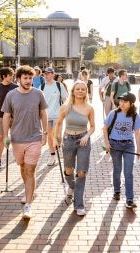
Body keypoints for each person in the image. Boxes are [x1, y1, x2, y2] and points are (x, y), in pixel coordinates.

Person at [1, 65, 48, 219]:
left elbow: (43, 113)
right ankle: (30, 190)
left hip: (34, 137)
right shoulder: (11, 95)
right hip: (17, 138)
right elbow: (6, 116)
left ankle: (28, 205)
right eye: (25, 78)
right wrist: (5, 135)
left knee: (30, 171)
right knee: (22, 167)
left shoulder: (38, 93)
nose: (28, 81)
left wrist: (45, 133)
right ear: (19, 79)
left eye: (30, 78)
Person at [53, 80, 95, 216]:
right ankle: (72, 187)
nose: (80, 91)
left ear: (86, 92)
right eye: (78, 89)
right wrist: (56, 138)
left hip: (83, 141)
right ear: (73, 91)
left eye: (83, 89)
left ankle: (79, 204)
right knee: (68, 171)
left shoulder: (89, 108)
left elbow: (93, 126)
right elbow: (58, 123)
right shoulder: (66, 107)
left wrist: (86, 136)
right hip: (68, 140)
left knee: (81, 172)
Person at [103, 92, 140, 209]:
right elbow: (104, 129)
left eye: (125, 101)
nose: (122, 103)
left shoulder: (135, 115)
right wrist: (107, 143)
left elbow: (137, 133)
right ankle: (117, 191)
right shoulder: (113, 113)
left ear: (131, 103)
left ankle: (129, 199)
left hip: (129, 146)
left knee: (128, 172)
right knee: (117, 170)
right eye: (120, 101)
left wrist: (139, 149)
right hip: (114, 145)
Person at [0, 67, 18, 169]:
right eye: (10, 75)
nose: (12, 77)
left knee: (15, 136)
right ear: (4, 76)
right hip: (1, 116)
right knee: (1, 137)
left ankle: (18, 155)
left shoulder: (16, 87)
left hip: (15, 116)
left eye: (13, 75)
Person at [41, 67, 68, 166]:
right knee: (49, 136)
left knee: (57, 135)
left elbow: (65, 99)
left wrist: (66, 110)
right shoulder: (42, 86)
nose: (46, 75)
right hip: (46, 116)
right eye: (45, 74)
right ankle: (52, 156)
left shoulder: (58, 85)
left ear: (52, 74)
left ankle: (59, 148)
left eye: (48, 73)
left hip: (58, 115)